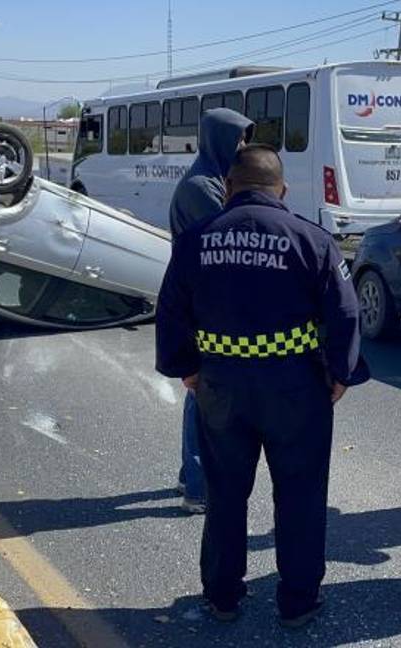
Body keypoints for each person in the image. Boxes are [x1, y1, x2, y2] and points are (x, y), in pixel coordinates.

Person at [155, 144, 366, 627]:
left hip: (220, 387)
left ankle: (223, 596)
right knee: (300, 493)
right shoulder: (310, 239)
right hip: (295, 387)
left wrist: (185, 366)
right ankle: (298, 601)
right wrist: (340, 371)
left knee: (226, 493)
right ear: (282, 189)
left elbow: (170, 311)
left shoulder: (196, 239)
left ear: (228, 188)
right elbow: (347, 310)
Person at [168, 108, 255, 514]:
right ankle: (198, 487)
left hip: (208, 298)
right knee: (202, 393)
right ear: (220, 139)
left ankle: (192, 476)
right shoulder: (202, 186)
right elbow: (228, 234)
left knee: (205, 391)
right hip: (203, 302)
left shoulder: (212, 178)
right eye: (239, 139)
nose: (244, 148)